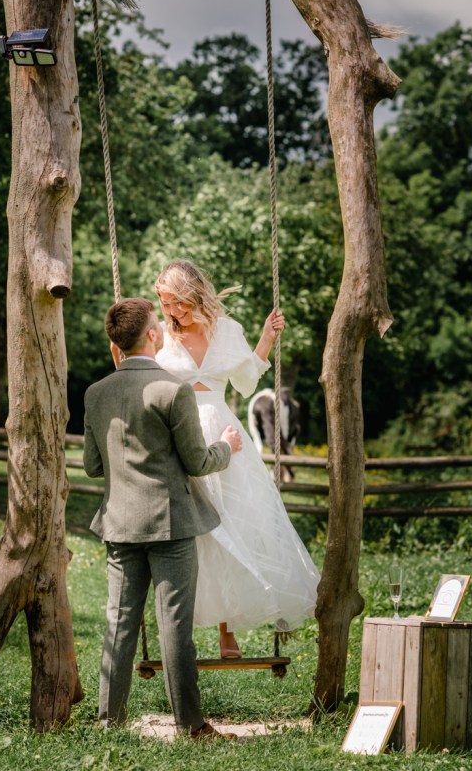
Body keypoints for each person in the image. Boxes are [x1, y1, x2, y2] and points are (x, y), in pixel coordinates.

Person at [83, 296, 243, 739]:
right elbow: (197, 461)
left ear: (116, 343)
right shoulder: (173, 390)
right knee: (174, 628)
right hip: (170, 524)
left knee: (119, 625)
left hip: (119, 524)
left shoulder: (96, 393)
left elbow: (93, 466)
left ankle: (108, 724)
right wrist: (227, 446)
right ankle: (190, 726)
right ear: (152, 335)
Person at [154, 260, 320, 661]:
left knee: (230, 524)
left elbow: (246, 382)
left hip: (223, 434)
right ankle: (179, 631)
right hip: (179, 433)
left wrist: (266, 338)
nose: (172, 311)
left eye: (177, 302)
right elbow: (142, 380)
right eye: (165, 303)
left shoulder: (227, 331)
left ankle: (227, 633)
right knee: (191, 534)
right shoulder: (160, 335)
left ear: (194, 295)